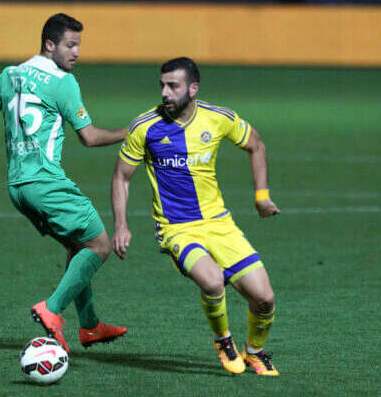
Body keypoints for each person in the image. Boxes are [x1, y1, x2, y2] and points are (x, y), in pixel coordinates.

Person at [0, 13, 127, 353]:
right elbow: (89, 137)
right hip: (46, 184)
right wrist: (131, 132)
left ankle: (90, 326)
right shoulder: (63, 82)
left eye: (78, 45)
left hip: (18, 188)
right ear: (49, 44)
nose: (76, 53)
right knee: (99, 246)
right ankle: (52, 308)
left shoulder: (9, 74)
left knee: (78, 247)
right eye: (70, 45)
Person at [111, 57, 281, 375]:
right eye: (162, 85)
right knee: (212, 280)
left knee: (265, 299)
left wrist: (262, 197)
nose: (165, 92)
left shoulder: (218, 118)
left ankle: (255, 352)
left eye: (173, 86)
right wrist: (121, 225)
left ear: (193, 89)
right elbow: (121, 177)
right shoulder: (144, 126)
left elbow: (256, 145)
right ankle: (223, 340)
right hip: (176, 228)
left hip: (219, 223)